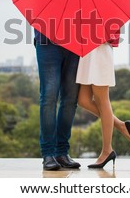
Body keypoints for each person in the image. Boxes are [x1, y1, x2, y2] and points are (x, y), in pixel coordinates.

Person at [76, 33, 130, 169]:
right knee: (83, 99)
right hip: (86, 50)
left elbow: (115, 26)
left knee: (102, 100)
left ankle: (107, 150)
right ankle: (122, 126)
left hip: (100, 48)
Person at [35, 29, 81, 171]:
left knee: (71, 99)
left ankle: (62, 152)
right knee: (49, 97)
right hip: (47, 41)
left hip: (75, 42)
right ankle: (48, 153)